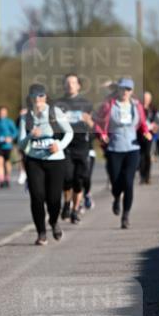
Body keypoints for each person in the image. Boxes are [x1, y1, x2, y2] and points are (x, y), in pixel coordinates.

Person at [17, 84, 73, 245]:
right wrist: (30, 136)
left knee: (54, 198)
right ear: (31, 99)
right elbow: (20, 143)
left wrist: (59, 145)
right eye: (35, 97)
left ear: (45, 97)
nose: (38, 100)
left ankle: (54, 221)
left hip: (55, 160)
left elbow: (69, 132)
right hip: (34, 160)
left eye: (41, 96)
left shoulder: (55, 112)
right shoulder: (25, 117)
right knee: (37, 196)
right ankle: (41, 232)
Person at [95, 77, 151, 228]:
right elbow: (99, 123)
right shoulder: (109, 105)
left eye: (128, 89)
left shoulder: (136, 105)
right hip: (114, 148)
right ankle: (116, 198)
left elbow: (143, 123)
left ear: (131, 91)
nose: (125, 92)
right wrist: (102, 134)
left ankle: (126, 215)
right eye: (122, 89)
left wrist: (146, 132)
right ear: (118, 90)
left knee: (128, 182)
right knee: (115, 182)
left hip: (133, 148)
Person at [55, 74, 95, 224]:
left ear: (79, 86)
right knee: (67, 178)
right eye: (67, 82)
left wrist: (89, 121)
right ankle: (66, 203)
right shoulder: (58, 104)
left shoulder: (86, 104)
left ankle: (75, 209)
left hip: (82, 146)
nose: (70, 85)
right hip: (66, 146)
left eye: (73, 82)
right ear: (64, 86)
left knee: (79, 180)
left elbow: (94, 127)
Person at [0, 106, 17, 188]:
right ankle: (1, 180)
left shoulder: (9, 122)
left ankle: (7, 178)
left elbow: (15, 132)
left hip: (7, 146)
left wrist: (11, 138)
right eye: (1, 112)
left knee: (7, 162)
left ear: (6, 113)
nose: (2, 114)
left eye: (4, 112)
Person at [138, 91, 155, 185]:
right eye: (144, 98)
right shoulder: (138, 108)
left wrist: (155, 126)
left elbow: (157, 121)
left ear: (150, 100)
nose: (146, 100)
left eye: (147, 98)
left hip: (149, 135)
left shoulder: (153, 109)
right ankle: (142, 176)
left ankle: (147, 176)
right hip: (139, 135)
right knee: (141, 156)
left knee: (147, 155)